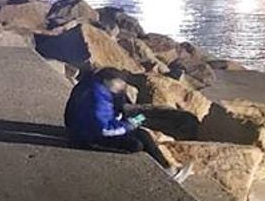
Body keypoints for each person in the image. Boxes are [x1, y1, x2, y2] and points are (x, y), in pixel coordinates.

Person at [64, 67, 193, 182]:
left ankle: (170, 169)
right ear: (106, 80)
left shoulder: (92, 87)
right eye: (118, 82)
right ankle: (170, 171)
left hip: (79, 129)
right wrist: (130, 124)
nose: (121, 86)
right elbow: (104, 129)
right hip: (86, 139)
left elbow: (103, 119)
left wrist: (124, 120)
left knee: (142, 133)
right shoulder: (98, 98)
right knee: (136, 145)